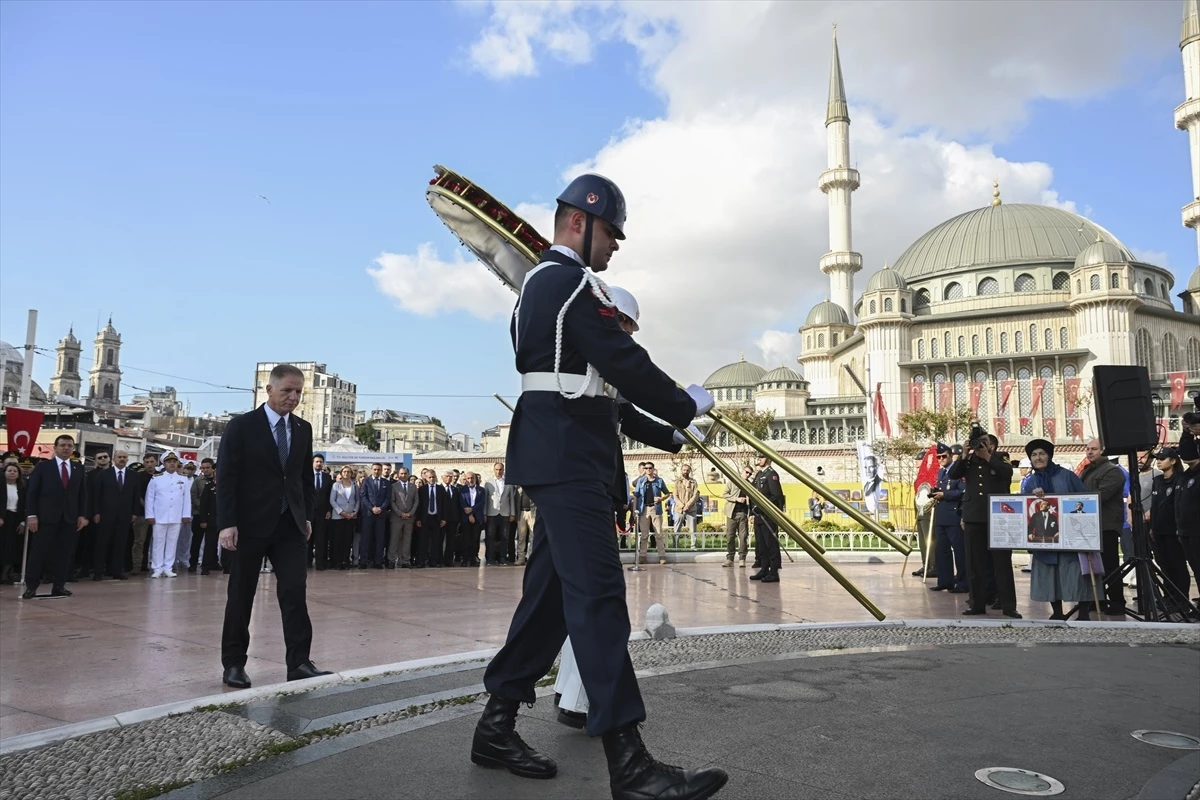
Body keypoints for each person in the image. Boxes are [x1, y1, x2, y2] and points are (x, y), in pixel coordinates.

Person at [473, 174, 726, 800]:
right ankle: (631, 766)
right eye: (612, 233)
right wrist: (682, 403)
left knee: (551, 604)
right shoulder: (568, 283)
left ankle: (496, 725)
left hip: (561, 454)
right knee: (599, 603)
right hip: (571, 461)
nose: (616, 247)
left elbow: (594, 387)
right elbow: (620, 361)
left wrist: (669, 426)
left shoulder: (543, 288)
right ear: (580, 223)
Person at [217, 363, 330, 689]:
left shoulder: (303, 428)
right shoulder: (241, 426)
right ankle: (234, 664)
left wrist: (305, 515)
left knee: (295, 592)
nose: (293, 397)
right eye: (287, 391)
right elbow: (227, 477)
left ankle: (299, 663)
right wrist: (228, 524)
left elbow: (304, 479)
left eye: (298, 392)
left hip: (289, 526)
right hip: (248, 526)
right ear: (269, 390)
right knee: (241, 595)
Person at [947, 430, 1020, 618]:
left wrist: (987, 455)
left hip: (998, 517)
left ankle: (1008, 605)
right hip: (974, 517)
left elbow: (1007, 473)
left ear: (992, 445)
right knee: (974, 563)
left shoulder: (999, 458)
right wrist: (963, 455)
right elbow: (954, 475)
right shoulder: (968, 461)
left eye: (985, 441)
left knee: (1002, 563)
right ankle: (976, 604)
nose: (980, 444)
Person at [1022, 439, 1094, 621]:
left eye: (1042, 454)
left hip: (1070, 537)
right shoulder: (1030, 482)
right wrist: (1033, 498)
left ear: (1049, 455)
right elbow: (1026, 508)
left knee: (1075, 574)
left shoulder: (1066, 475)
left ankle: (1084, 613)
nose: (1038, 458)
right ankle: (1057, 612)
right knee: (1050, 576)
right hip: (1045, 538)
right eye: (1034, 455)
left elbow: (1084, 499)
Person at [23, 434, 88, 599]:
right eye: (63, 445)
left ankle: (59, 586)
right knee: (39, 552)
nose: (66, 448)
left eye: (69, 445)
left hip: (69, 518)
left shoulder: (78, 468)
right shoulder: (43, 467)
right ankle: (31, 586)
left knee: (65, 553)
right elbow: (32, 493)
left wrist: (82, 515)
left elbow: (82, 494)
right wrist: (31, 515)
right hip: (46, 518)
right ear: (55, 447)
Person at [1079, 438, 1128, 615]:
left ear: (1103, 451)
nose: (1089, 452)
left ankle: (1116, 601)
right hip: (1089, 525)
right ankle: (1097, 599)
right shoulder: (1086, 471)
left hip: (1106, 525)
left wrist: (1078, 502)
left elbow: (1101, 496)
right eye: (1088, 449)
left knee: (1109, 564)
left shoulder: (1113, 472)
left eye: (1094, 449)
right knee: (1092, 565)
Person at [1149, 447, 1189, 611]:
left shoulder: (1180, 479)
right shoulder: (1157, 481)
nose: (1158, 461)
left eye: (1163, 458)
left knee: (1177, 565)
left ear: (1172, 461)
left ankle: (1182, 599)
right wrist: (1152, 526)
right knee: (1164, 565)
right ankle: (1169, 597)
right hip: (1159, 530)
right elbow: (1155, 505)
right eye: (1157, 458)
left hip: (1173, 530)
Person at [92, 450, 139, 580]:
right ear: (114, 459)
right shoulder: (103, 474)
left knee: (120, 544)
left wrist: (135, 512)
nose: (122, 459)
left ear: (127, 459)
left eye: (124, 457)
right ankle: (98, 572)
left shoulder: (133, 475)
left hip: (124, 516)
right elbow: (97, 495)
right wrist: (96, 512)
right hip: (105, 515)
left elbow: (136, 496)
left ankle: (117, 571)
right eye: (119, 457)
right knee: (102, 544)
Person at [144, 451, 192, 578]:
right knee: (158, 543)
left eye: (174, 462)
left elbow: (187, 499)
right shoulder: (156, 478)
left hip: (176, 516)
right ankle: (157, 567)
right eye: (169, 462)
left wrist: (186, 514)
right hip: (159, 516)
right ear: (164, 464)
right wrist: (149, 515)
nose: (172, 464)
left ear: (177, 464)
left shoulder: (183, 479)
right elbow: (150, 498)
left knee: (172, 542)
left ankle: (168, 567)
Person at [929, 444, 967, 593]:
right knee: (941, 550)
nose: (941, 459)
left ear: (951, 455)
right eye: (939, 457)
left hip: (954, 515)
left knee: (959, 550)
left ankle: (963, 582)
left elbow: (962, 491)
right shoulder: (941, 472)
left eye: (944, 456)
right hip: (941, 515)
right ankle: (945, 581)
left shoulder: (957, 471)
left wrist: (945, 495)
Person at [749, 452, 784, 583]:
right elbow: (752, 493)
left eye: (762, 457)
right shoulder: (759, 475)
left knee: (771, 544)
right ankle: (764, 569)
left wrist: (762, 507)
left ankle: (774, 572)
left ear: (768, 459)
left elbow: (776, 496)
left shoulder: (771, 474)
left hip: (768, 515)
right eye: (758, 457)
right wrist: (752, 511)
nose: (759, 459)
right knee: (761, 544)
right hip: (758, 515)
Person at [388, 467, 419, 568]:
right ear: (398, 474)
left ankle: (405, 560)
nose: (403, 475)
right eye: (401, 474)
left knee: (407, 539)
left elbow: (416, 501)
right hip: (397, 517)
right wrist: (400, 513)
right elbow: (392, 501)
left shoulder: (413, 486)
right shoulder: (394, 486)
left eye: (405, 473)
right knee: (394, 539)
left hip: (409, 518)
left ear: (408, 474)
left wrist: (410, 513)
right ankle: (392, 560)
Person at [1, 463, 27, 585]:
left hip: (15, 518)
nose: (12, 473)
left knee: (12, 547)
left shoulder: (22, 488)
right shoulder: (1, 486)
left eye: (15, 471)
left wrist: (23, 521)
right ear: (4, 472)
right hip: (3, 518)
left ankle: (6, 573)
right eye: (9, 470)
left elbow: (24, 506)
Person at [330, 466, 359, 570]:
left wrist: (354, 512)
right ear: (341, 473)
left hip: (351, 517)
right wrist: (341, 512)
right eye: (344, 472)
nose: (346, 473)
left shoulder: (355, 485)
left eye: (348, 472)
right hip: (338, 517)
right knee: (338, 539)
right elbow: (332, 500)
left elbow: (357, 500)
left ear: (351, 474)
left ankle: (345, 561)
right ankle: (336, 562)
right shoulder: (336, 485)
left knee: (348, 540)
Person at [723, 467, 752, 568]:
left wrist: (750, 513)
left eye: (750, 474)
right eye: (746, 472)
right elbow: (725, 494)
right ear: (742, 471)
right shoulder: (732, 481)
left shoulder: (749, 484)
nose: (748, 475)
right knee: (730, 537)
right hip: (731, 513)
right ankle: (730, 558)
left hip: (743, 513)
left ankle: (742, 558)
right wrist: (736, 499)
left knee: (743, 537)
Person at [311, 455, 333, 570]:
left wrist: (329, 510)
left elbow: (330, 495)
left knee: (320, 539)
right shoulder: (307, 476)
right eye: (317, 462)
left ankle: (320, 564)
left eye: (321, 462)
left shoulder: (327, 477)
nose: (319, 464)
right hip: (309, 512)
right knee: (308, 538)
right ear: (313, 463)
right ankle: (306, 562)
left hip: (322, 513)